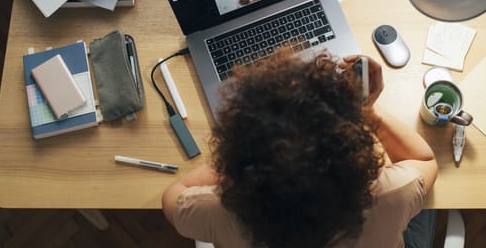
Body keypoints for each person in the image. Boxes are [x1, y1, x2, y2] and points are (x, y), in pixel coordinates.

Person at [162, 49, 438, 248]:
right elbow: (424, 159)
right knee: (430, 202)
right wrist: (366, 111)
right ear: (353, 153)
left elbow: (172, 196)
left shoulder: (217, 211)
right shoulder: (391, 193)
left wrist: (235, 154)